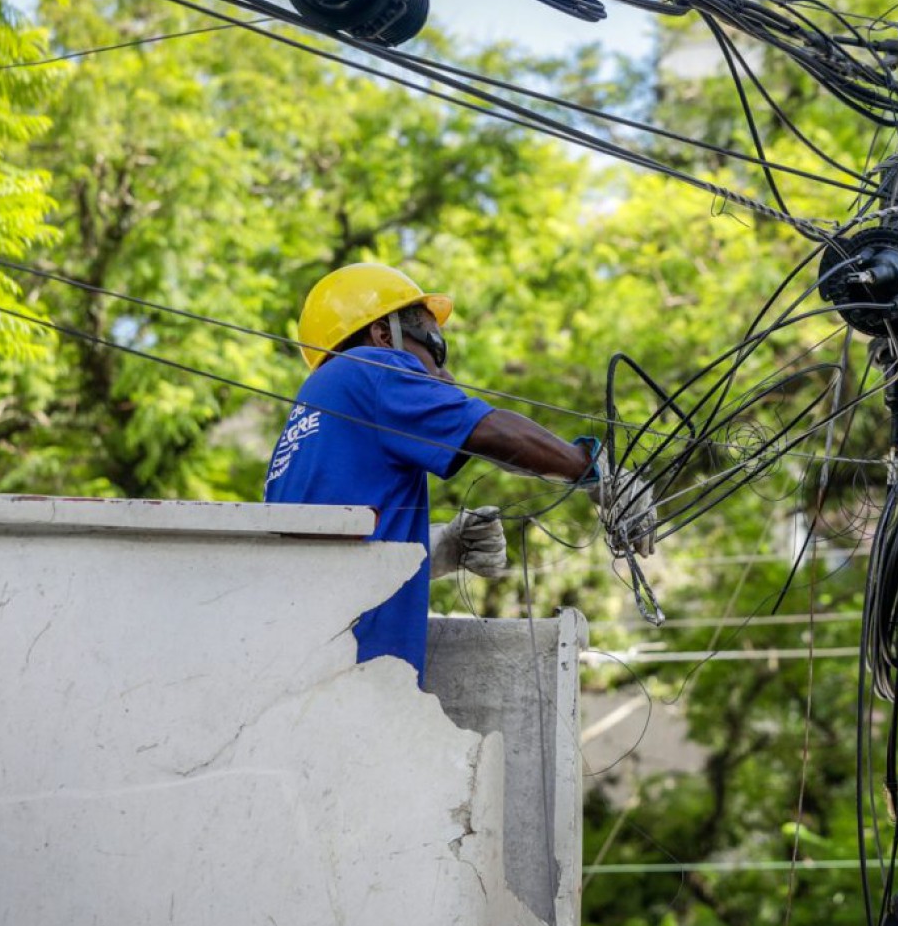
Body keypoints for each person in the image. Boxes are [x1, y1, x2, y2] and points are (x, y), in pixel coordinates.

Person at [264, 262, 655, 684]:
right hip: (353, 680)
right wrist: (593, 470)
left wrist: (436, 549)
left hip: (308, 670)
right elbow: (492, 433)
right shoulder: (368, 368)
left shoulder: (312, 417)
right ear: (383, 335)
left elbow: (334, 554)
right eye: (436, 347)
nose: (444, 373)